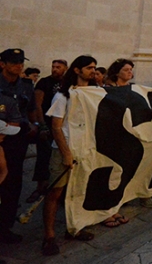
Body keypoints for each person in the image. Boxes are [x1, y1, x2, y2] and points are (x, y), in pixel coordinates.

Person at [42, 55, 98, 255]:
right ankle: (49, 236)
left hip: (84, 149)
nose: (93, 71)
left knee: (78, 191)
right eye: (89, 67)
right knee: (55, 193)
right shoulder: (62, 96)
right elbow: (56, 127)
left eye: (94, 68)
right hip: (64, 150)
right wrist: (66, 154)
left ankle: (74, 227)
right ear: (77, 70)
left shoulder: (94, 94)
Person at [0, 48, 37, 244]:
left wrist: (35, 125)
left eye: (21, 61)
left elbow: (31, 110)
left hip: (17, 140)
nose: (19, 65)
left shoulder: (26, 85)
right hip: (0, 139)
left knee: (13, 184)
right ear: (2, 64)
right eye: (14, 61)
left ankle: (5, 227)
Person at [28, 59, 68, 203]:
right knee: (43, 158)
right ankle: (40, 189)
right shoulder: (44, 82)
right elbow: (37, 104)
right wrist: (42, 125)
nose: (55, 69)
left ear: (65, 68)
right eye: (53, 66)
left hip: (63, 127)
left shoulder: (68, 83)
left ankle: (60, 191)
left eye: (58, 67)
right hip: (47, 125)